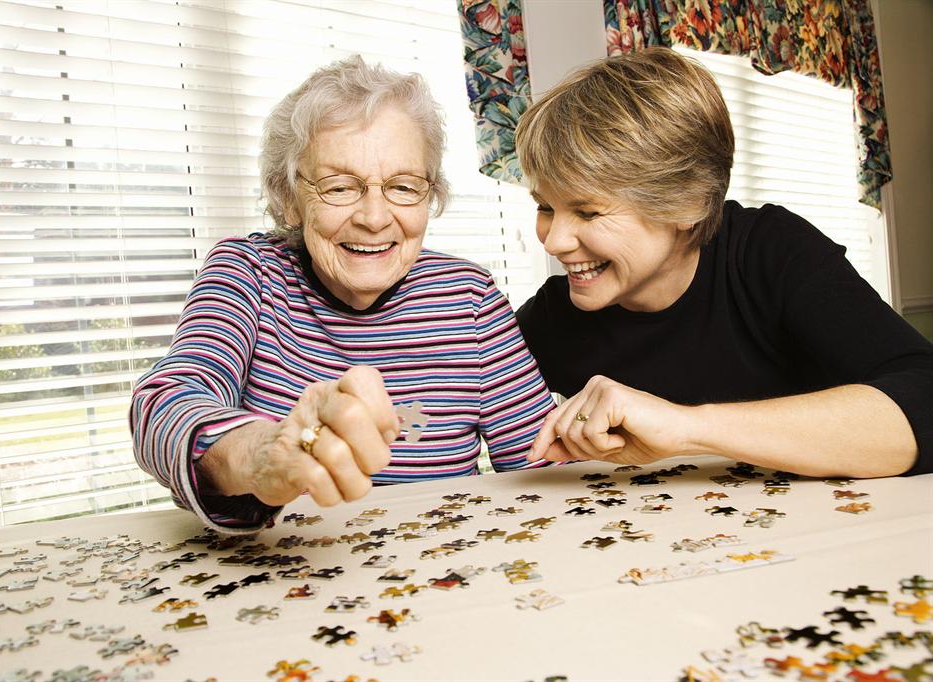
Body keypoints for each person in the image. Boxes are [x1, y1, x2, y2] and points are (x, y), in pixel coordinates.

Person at [130, 56, 556, 533]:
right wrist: (261, 453)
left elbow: (544, 467)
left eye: (403, 187)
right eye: (339, 187)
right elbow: (163, 403)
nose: (374, 218)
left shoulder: (470, 298)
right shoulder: (247, 273)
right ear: (289, 198)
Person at [513, 47, 933, 478]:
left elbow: (925, 399)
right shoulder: (553, 314)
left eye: (587, 212)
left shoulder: (772, 252)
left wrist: (685, 427)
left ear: (687, 202)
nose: (555, 240)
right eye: (545, 206)